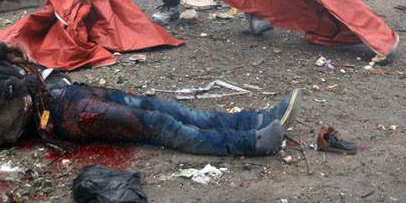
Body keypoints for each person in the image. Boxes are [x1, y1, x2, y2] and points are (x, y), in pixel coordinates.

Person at [45, 69, 302, 157]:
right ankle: (251, 142)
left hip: (75, 94)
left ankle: (254, 120)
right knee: (159, 124)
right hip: (70, 114)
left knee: (169, 109)